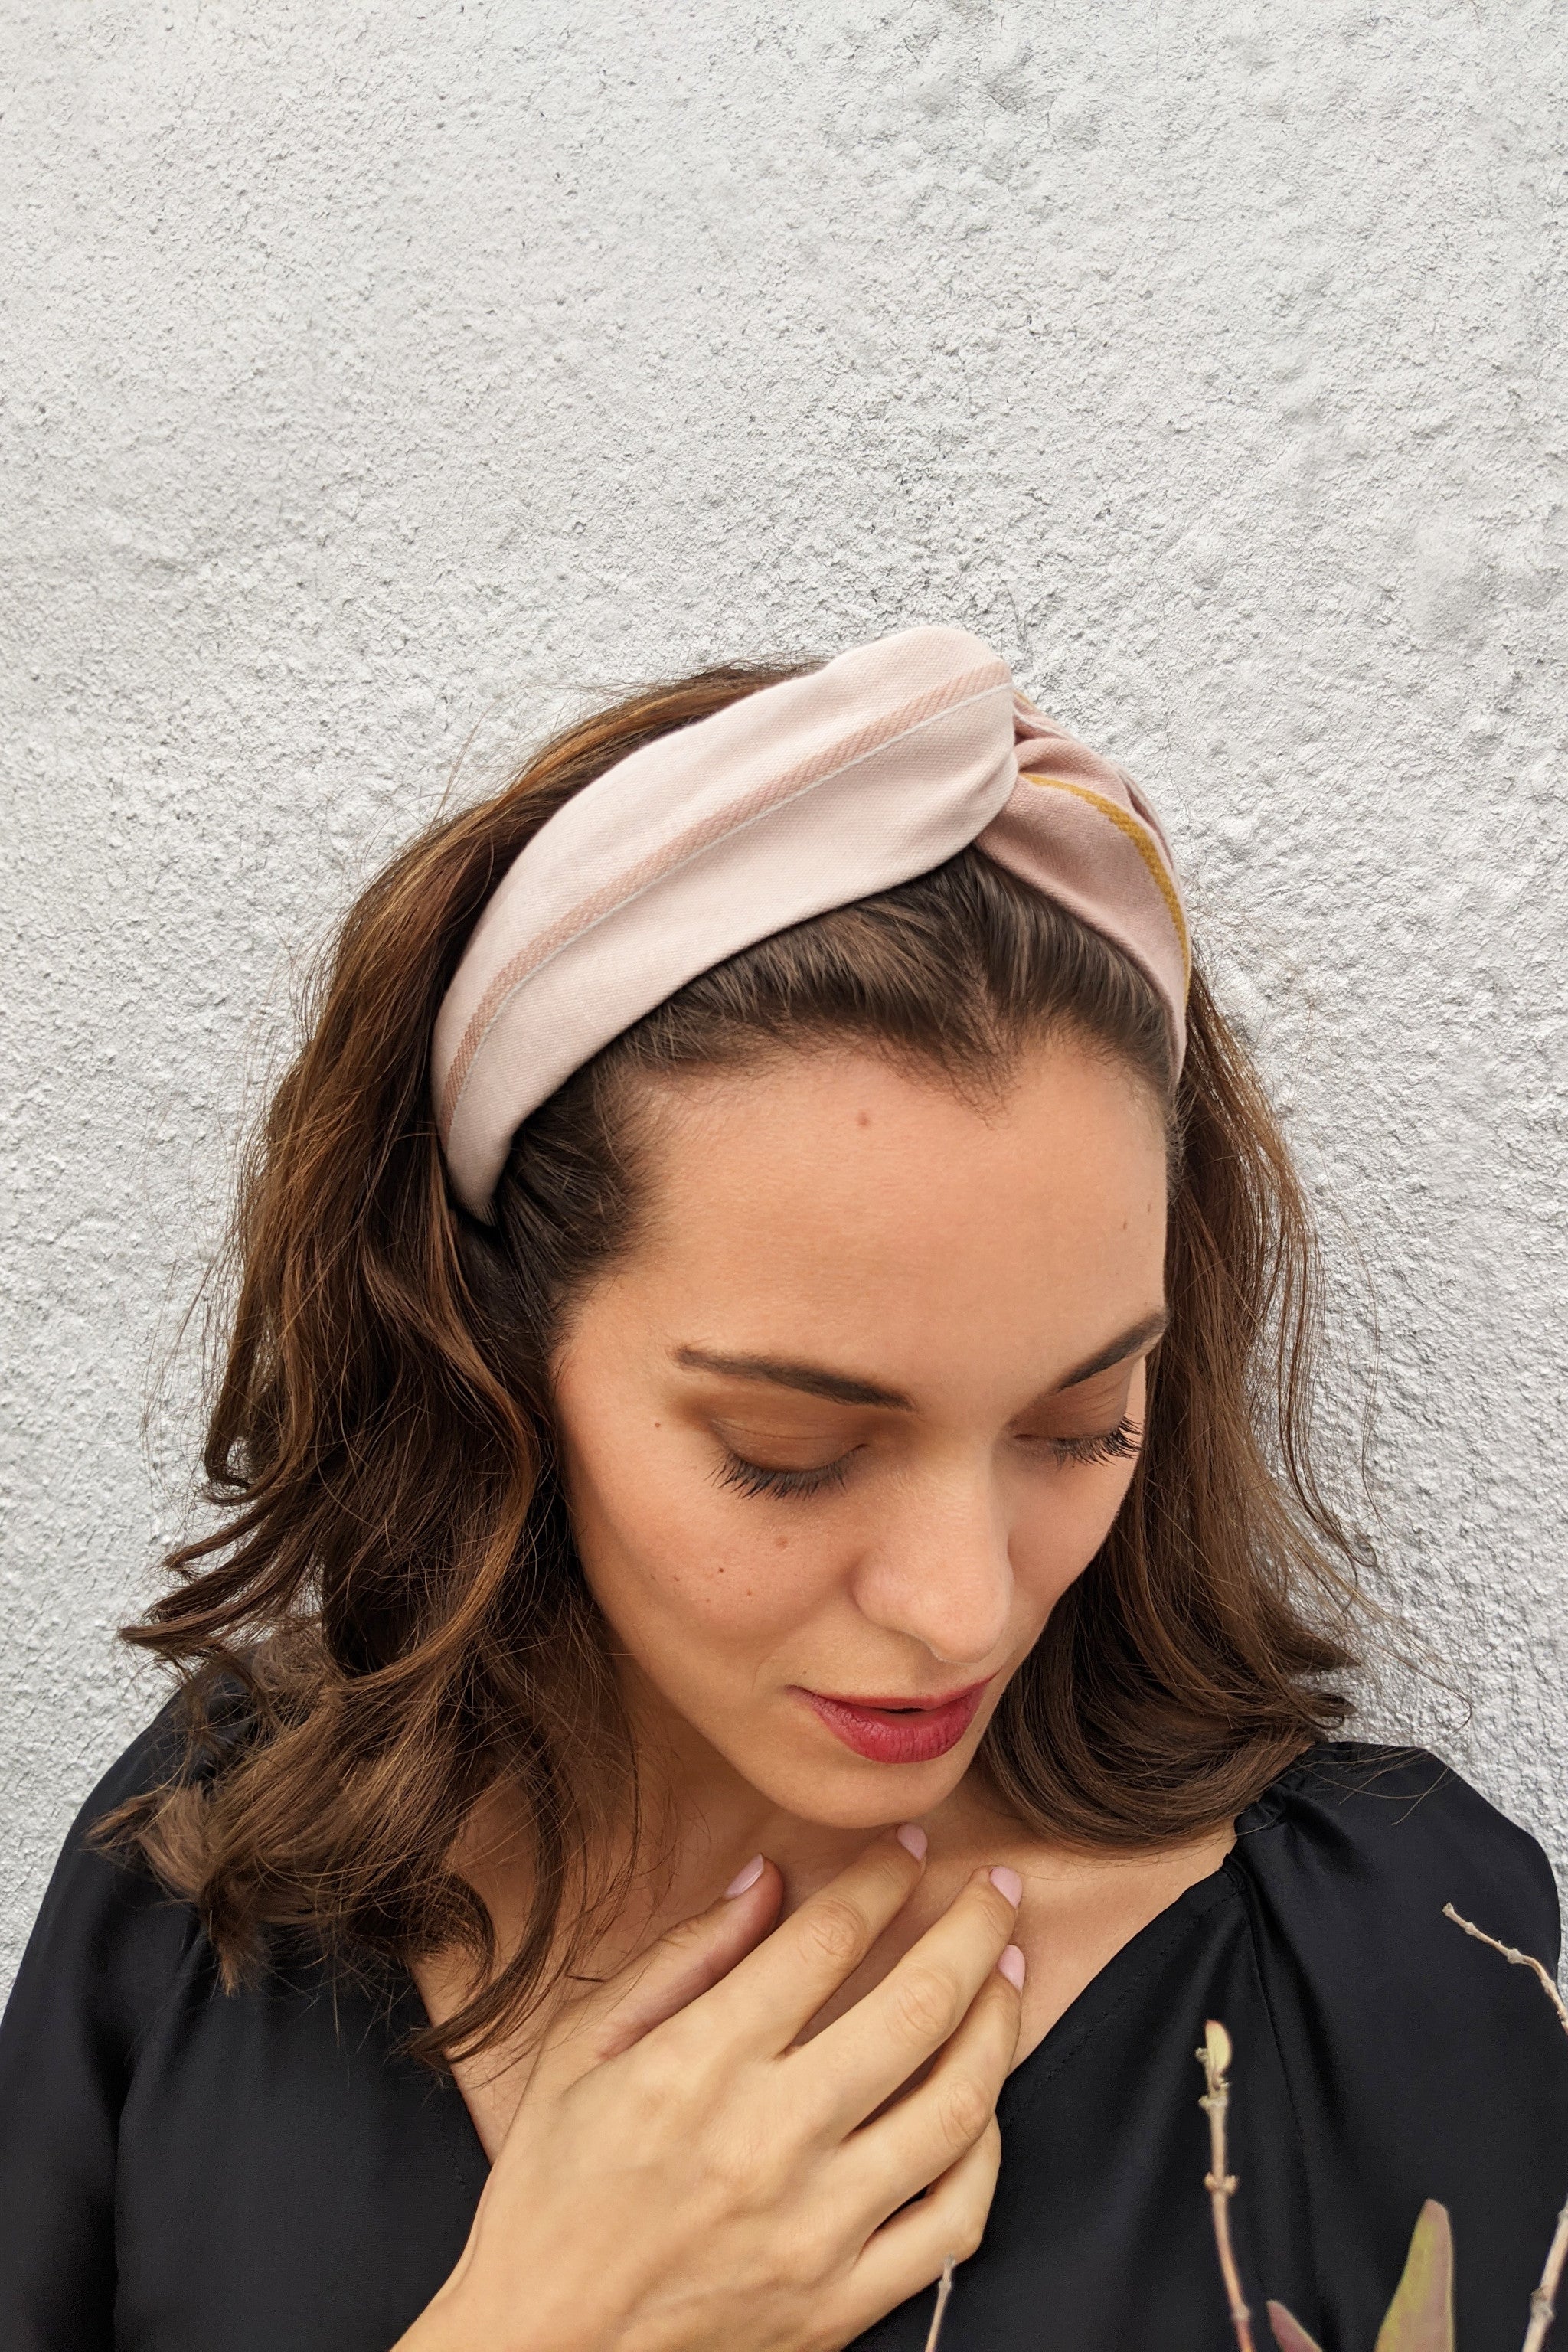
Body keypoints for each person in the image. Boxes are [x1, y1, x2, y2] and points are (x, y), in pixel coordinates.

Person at [1, 627, 1563, 2352]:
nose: (964, 1604)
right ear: (492, 1357)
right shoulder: (214, 1877)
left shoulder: (1401, 1967)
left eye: (1077, 1422)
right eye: (790, 1455)